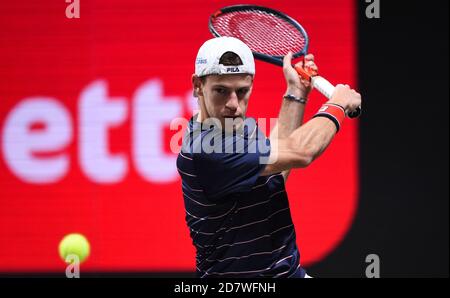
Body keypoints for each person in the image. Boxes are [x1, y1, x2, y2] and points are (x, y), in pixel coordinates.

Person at [176, 37, 361, 278]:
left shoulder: (236, 128)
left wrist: (296, 92)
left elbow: (274, 172)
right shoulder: (208, 149)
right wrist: (337, 104)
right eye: (221, 90)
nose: (234, 105)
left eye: (242, 91)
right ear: (197, 85)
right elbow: (301, 152)